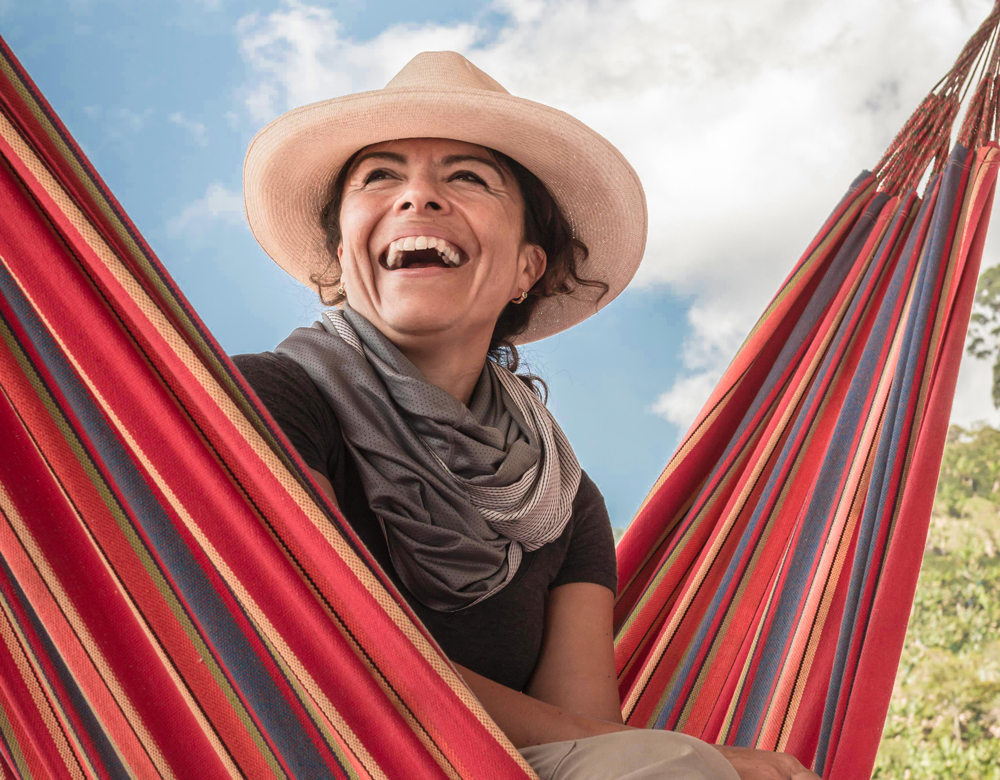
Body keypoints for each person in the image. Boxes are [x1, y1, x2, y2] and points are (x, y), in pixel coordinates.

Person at [235, 51, 820, 780]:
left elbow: (586, 748)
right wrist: (697, 761)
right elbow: (327, 642)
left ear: (526, 269)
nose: (418, 197)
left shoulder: (564, 501)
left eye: (467, 177)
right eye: (380, 175)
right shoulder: (268, 399)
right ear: (338, 256)